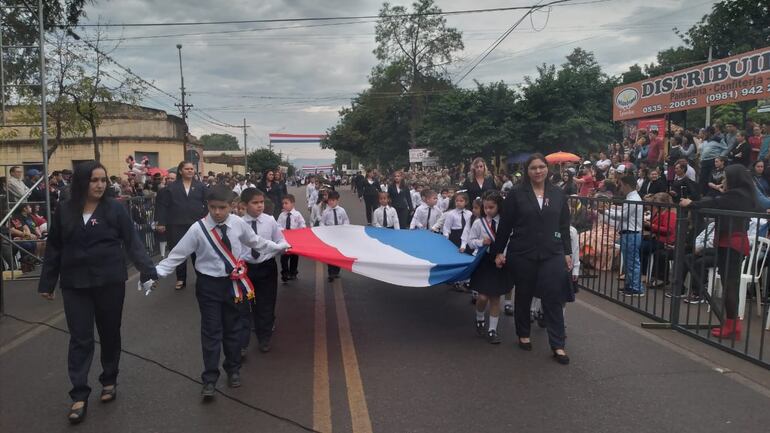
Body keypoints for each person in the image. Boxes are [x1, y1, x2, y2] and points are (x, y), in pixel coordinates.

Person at [37, 161, 158, 424]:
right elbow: (55, 246)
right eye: (94, 180)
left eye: (103, 179)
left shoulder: (115, 209)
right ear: (82, 182)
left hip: (110, 282)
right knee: (80, 338)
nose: (100, 185)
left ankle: (109, 379)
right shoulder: (65, 210)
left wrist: (148, 270)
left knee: (109, 332)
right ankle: (79, 393)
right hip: (75, 284)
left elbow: (132, 241)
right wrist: (47, 282)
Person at [154, 185, 289, 399]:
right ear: (207, 206)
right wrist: (156, 274)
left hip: (233, 283)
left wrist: (278, 246)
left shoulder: (238, 224)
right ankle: (209, 378)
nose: (217, 212)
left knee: (233, 328)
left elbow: (256, 242)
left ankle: (233, 369)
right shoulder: (198, 229)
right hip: (208, 285)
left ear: (232, 206)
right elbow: (177, 255)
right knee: (211, 331)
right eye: (213, 207)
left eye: (222, 208)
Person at [493, 154, 572, 365]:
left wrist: (567, 252)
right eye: (533, 168)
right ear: (527, 171)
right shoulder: (516, 194)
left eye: (541, 167)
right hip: (523, 252)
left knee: (553, 296)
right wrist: (498, 251)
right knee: (524, 293)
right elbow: (506, 225)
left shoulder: (557, 194)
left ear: (547, 169)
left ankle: (558, 344)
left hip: (552, 252)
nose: (538, 171)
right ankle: (523, 333)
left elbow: (564, 225)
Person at [680, 165, 759, 340]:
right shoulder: (743, 194)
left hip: (731, 243)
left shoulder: (736, 195)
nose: (723, 180)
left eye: (726, 177)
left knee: (729, 285)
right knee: (729, 284)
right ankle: (731, 325)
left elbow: (714, 202)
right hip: (733, 242)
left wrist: (692, 203)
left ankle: (732, 327)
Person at [240, 188, 286, 355]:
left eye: (261, 202)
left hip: (266, 267)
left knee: (266, 303)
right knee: (244, 306)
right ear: (244, 205)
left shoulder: (270, 221)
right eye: (255, 203)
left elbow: (280, 239)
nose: (260, 206)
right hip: (244, 269)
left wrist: (279, 248)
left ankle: (264, 337)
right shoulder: (238, 224)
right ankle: (242, 343)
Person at [155, 161, 207, 290]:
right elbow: (163, 206)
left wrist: (206, 218)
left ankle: (201, 278)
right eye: (187, 169)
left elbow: (208, 203)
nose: (190, 171)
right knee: (179, 251)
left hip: (196, 224)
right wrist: (161, 222)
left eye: (192, 169)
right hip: (176, 224)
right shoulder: (171, 187)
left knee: (198, 252)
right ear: (180, 171)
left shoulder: (201, 186)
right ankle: (180, 278)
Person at [466, 191, 509, 344]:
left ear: (499, 206)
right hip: (484, 261)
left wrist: (503, 255)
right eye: (485, 207)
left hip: (499, 262)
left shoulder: (505, 222)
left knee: (496, 298)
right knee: (483, 296)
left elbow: (509, 241)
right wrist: (480, 242)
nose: (488, 210)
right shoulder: (479, 222)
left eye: (491, 207)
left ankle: (492, 330)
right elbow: (471, 241)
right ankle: (479, 318)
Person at [601, 175, 645, 296]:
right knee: (628, 261)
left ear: (626, 185)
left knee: (632, 261)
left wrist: (606, 211)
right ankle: (631, 285)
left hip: (632, 233)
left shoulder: (634, 198)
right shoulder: (631, 197)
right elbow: (623, 214)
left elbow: (623, 215)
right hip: (628, 232)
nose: (620, 188)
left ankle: (636, 287)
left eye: (621, 185)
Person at [320, 190, 350, 281]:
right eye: (329, 200)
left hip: (339, 235)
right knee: (330, 254)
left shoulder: (341, 210)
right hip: (330, 235)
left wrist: (345, 227)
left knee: (338, 254)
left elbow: (346, 220)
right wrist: (324, 229)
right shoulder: (326, 212)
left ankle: (336, 271)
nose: (331, 202)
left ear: (337, 200)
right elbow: (322, 222)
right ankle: (331, 273)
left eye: (333, 200)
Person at [276, 194, 306, 282]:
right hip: (285, 239)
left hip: (295, 240)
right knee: (284, 257)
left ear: (292, 204)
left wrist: (301, 229)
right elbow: (278, 225)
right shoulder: (282, 215)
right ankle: (285, 273)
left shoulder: (297, 214)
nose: (284, 205)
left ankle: (293, 272)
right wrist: (283, 229)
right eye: (283, 203)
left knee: (294, 257)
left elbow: (302, 224)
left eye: (286, 203)